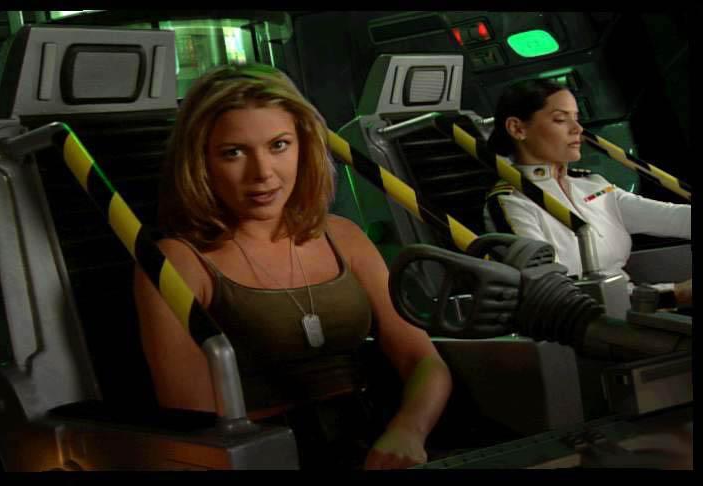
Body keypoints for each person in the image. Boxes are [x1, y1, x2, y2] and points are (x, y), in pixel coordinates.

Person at [134, 64, 452, 470]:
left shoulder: (344, 236)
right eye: (234, 153)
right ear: (201, 162)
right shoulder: (176, 261)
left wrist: (408, 430)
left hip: (376, 440)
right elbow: (194, 422)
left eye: (279, 145)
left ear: (304, 146)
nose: (262, 173)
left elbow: (424, 362)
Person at [483, 78, 691, 306]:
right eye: (560, 119)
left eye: (576, 118)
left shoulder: (592, 185)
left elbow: (674, 218)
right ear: (517, 128)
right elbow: (555, 295)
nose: (578, 129)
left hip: (635, 307)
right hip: (589, 320)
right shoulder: (510, 202)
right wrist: (671, 295)